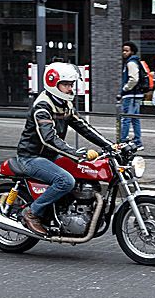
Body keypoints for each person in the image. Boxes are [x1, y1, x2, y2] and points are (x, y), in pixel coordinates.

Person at [16, 62, 114, 235]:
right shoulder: (42, 107)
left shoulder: (64, 104)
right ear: (53, 83)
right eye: (66, 85)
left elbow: (83, 127)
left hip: (50, 156)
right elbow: (48, 139)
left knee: (82, 172)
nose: (70, 89)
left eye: (71, 85)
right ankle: (32, 213)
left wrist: (109, 145)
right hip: (31, 158)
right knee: (65, 181)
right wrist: (75, 154)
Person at [120, 41, 144, 148]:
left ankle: (123, 141)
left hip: (131, 95)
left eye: (126, 50)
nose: (124, 52)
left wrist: (125, 88)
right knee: (135, 118)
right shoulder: (136, 61)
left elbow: (134, 79)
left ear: (132, 52)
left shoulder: (131, 62)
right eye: (123, 50)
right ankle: (138, 141)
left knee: (126, 118)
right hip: (136, 95)